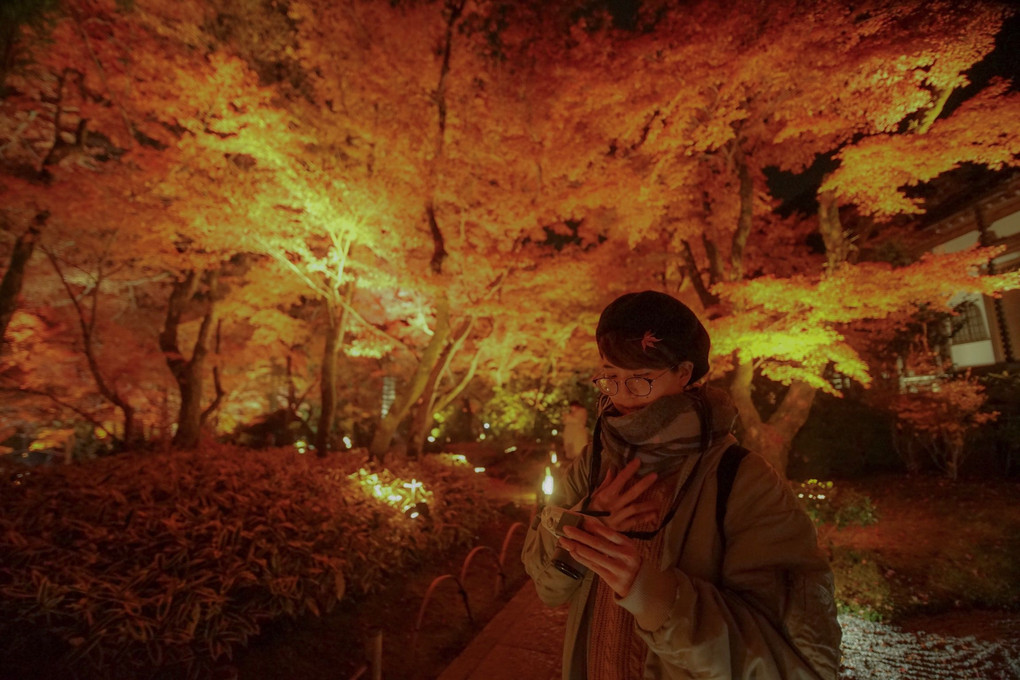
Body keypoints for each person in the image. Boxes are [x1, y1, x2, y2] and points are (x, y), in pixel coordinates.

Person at [522, 290, 841, 679]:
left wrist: (653, 595)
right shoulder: (595, 461)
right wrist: (581, 527)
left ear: (685, 373)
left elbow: (787, 663)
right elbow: (547, 589)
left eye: (640, 378)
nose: (621, 395)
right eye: (610, 376)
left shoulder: (741, 479)